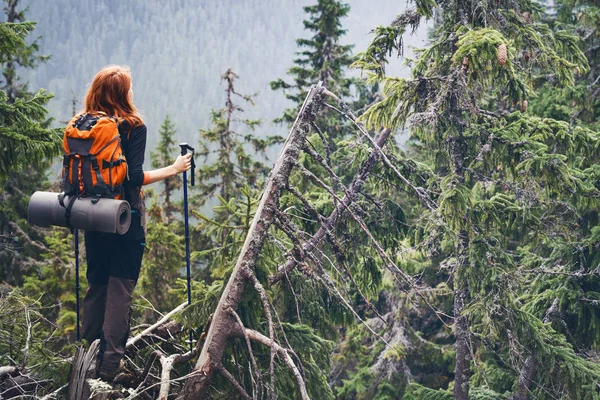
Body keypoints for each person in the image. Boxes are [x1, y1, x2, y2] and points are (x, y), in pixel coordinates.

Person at [79, 65, 192, 381]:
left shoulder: (87, 125)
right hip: (125, 220)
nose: (131, 92)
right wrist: (173, 169)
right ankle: (110, 367)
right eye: (127, 88)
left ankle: (84, 359)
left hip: (93, 216)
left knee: (97, 286)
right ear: (120, 94)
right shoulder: (133, 127)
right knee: (120, 289)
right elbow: (133, 177)